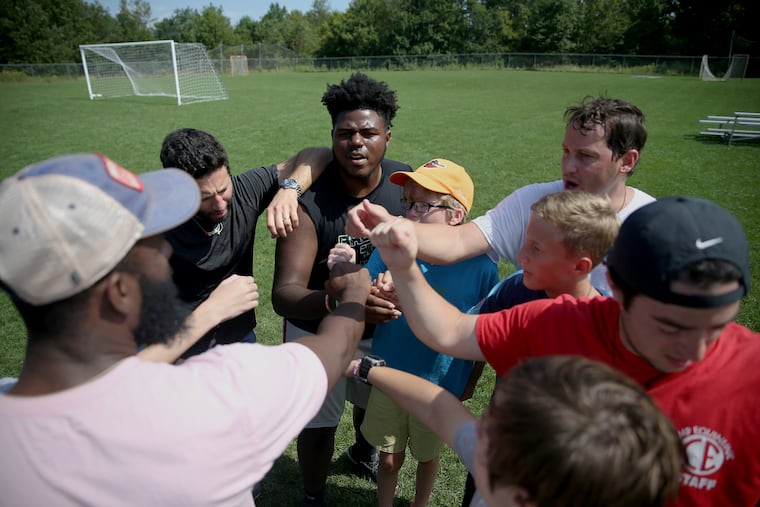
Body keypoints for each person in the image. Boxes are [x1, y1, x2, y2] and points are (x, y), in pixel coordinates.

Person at [0, 153, 372, 506]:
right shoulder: (222, 395)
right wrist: (353, 291)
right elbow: (335, 350)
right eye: (152, 245)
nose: (165, 253)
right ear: (120, 292)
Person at [367, 195, 760, 506]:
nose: (696, 350)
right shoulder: (557, 321)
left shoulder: (753, 371)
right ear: (618, 289)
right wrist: (404, 266)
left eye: (717, 326)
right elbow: (450, 332)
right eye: (670, 326)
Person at [271, 72, 411, 507]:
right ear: (331, 137)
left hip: (381, 324)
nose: (356, 142)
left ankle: (362, 452)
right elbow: (284, 295)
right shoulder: (310, 202)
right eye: (345, 133)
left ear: (387, 137)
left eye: (368, 133)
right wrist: (340, 299)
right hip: (318, 325)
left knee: (374, 402)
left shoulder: (406, 186)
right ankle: (313, 495)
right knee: (318, 424)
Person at [347, 96, 653, 294]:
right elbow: (457, 242)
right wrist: (389, 222)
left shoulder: (650, 226)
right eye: (566, 151)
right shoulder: (533, 202)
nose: (568, 166)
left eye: (585, 156)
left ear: (627, 161)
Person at [329, 158, 498, 506]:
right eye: (407, 203)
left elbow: (484, 330)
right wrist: (375, 289)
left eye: (423, 205)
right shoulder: (392, 249)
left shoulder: (482, 268)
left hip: (440, 387)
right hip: (390, 373)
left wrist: (471, 380)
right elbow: (371, 288)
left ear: (456, 215)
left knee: (426, 454)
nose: (409, 212)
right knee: (389, 457)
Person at [347, 354, 684, 507]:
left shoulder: (502, 467)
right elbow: (439, 407)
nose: (484, 429)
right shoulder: (511, 468)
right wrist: (365, 368)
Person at [159, 128, 332, 358]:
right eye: (206, 198)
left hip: (240, 343)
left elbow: (319, 154)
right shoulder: (158, 229)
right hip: (180, 351)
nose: (220, 204)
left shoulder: (244, 191)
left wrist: (289, 190)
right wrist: (214, 309)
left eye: (223, 189)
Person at [472, 190, 619, 313]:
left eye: (536, 249)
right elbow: (472, 334)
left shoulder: (607, 325)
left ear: (580, 266)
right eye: (526, 242)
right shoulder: (516, 290)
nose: (520, 256)